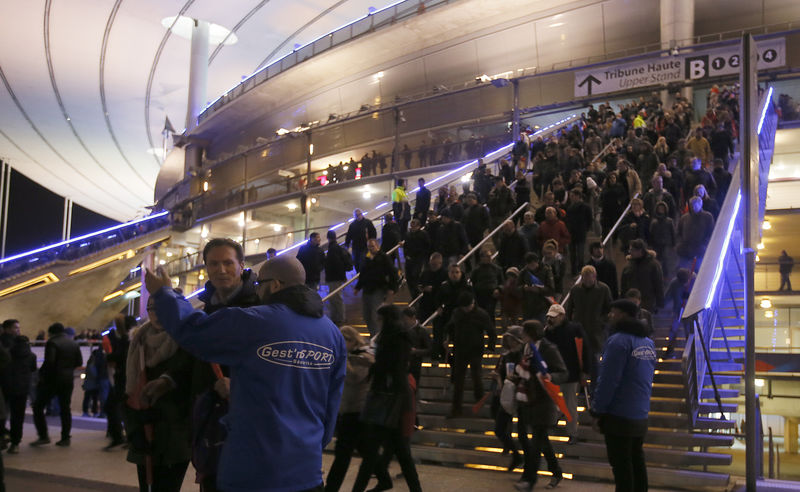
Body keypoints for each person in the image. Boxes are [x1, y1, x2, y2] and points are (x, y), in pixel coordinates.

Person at [145, 255, 346, 492]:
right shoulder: (332, 334)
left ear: (275, 285)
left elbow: (194, 331)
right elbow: (332, 406)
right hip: (307, 473)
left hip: (251, 470)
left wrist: (165, 295)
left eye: (260, 284)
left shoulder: (254, 322)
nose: (257, 291)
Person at [125, 296, 193, 492]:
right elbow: (126, 389)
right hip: (143, 431)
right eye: (151, 308)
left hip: (175, 435)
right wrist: (133, 429)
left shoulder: (186, 341)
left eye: (162, 307)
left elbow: (189, 382)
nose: (156, 313)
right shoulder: (139, 341)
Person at [351, 306, 421, 492]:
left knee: (373, 452)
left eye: (380, 319)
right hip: (396, 398)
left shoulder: (393, 339)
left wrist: (372, 364)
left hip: (388, 399)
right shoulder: (399, 337)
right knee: (400, 453)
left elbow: (389, 368)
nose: (378, 323)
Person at [591, 299, 656, 492]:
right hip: (640, 414)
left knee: (621, 468)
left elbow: (608, 380)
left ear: (624, 315)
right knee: (636, 461)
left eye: (614, 312)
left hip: (619, 415)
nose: (610, 315)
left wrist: (597, 410)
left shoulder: (618, 341)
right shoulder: (648, 343)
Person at [513, 320, 567, 491]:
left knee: (537, 443)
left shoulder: (548, 349)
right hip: (527, 399)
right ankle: (556, 471)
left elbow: (563, 372)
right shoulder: (525, 349)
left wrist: (551, 377)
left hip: (544, 401)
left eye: (524, 332)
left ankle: (529, 480)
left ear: (531, 333)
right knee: (540, 441)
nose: (521, 335)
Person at [325, 327, 374, 492]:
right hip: (345, 410)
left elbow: (354, 378)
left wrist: (343, 359)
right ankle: (383, 476)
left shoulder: (364, 357)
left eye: (344, 340)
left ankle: (330, 488)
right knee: (365, 450)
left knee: (342, 454)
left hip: (356, 411)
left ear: (353, 340)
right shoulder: (345, 357)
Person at [30, 322, 82, 447]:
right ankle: (65, 437)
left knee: (38, 406)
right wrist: (68, 369)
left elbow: (50, 362)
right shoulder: (74, 343)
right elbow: (79, 361)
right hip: (68, 379)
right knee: (65, 408)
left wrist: (41, 375)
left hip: (52, 380)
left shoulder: (52, 343)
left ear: (51, 333)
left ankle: (43, 436)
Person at [446, 292, 494, 418]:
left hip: (475, 350)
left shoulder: (481, 314)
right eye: (464, 307)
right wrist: (447, 339)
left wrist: (490, 346)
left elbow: (491, 331)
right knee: (458, 380)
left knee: (476, 376)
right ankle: (456, 409)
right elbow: (450, 327)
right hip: (460, 349)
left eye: (469, 306)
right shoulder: (457, 313)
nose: (467, 309)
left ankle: (479, 402)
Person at [544, 304, 587, 444]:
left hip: (570, 372)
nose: (551, 320)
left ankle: (572, 432)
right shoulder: (548, 332)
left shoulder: (574, 329)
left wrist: (585, 371)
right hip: (554, 372)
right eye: (549, 317)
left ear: (562, 316)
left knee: (570, 404)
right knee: (553, 399)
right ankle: (556, 416)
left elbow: (585, 349)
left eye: (554, 318)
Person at [491, 326, 525, 472]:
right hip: (507, 393)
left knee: (522, 433)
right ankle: (516, 455)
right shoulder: (505, 356)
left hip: (522, 394)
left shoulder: (524, 355)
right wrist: (498, 380)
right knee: (499, 429)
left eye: (511, 339)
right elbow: (501, 373)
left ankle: (523, 460)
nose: (509, 341)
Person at [0, 320, 35, 454]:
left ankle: (4, 436)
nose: (18, 330)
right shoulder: (26, 349)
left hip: (5, 385)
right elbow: (32, 367)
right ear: (7, 329)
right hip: (22, 386)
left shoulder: (4, 345)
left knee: (3, 414)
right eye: (15, 327)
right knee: (18, 416)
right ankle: (15, 442)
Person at [354, 238, 398, 337]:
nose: (370, 248)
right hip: (367, 289)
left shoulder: (384, 258)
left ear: (377, 246)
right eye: (369, 246)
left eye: (372, 246)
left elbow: (393, 273)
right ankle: (373, 334)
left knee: (375, 314)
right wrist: (358, 287)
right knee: (366, 315)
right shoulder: (367, 258)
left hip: (378, 289)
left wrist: (392, 288)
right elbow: (363, 274)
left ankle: (377, 336)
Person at [621, 239, 664, 314]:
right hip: (631, 302)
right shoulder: (628, 265)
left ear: (640, 250)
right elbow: (624, 285)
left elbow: (658, 284)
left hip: (647, 302)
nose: (630, 252)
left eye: (632, 250)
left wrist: (659, 303)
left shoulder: (653, 265)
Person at [324, 230, 354, 325]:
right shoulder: (337, 248)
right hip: (337, 277)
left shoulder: (332, 249)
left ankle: (339, 318)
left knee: (336, 298)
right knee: (336, 298)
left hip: (334, 277)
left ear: (328, 238)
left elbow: (336, 264)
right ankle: (338, 317)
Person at [676, 196, 715, 268]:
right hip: (685, 250)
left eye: (696, 204)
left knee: (699, 270)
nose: (694, 206)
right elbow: (679, 232)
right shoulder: (684, 218)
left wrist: (704, 245)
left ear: (701, 204)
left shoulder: (707, 217)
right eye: (692, 204)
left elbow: (711, 233)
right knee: (683, 272)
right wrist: (680, 243)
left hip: (700, 251)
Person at [470, 249, 503, 330]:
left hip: (492, 295)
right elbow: (472, 283)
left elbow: (502, 282)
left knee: (490, 313)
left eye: (490, 256)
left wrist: (498, 289)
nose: (489, 258)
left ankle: (492, 333)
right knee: (480, 315)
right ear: (481, 258)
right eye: (487, 256)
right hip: (480, 295)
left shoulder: (497, 269)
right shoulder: (476, 270)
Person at [564, 188, 592, 275]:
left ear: (578, 196)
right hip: (572, 232)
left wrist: (585, 229)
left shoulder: (585, 207)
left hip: (580, 232)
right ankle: (574, 271)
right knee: (573, 254)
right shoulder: (570, 207)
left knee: (580, 254)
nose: (571, 198)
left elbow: (589, 219)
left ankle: (580, 270)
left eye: (572, 196)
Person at [403, 219, 431, 300]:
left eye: (414, 226)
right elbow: (406, 246)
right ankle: (414, 294)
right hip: (409, 259)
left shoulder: (423, 234)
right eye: (411, 226)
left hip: (418, 259)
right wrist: (406, 255)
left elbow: (427, 246)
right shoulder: (408, 234)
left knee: (415, 276)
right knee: (409, 277)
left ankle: (416, 294)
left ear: (418, 226)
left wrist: (422, 255)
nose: (412, 228)